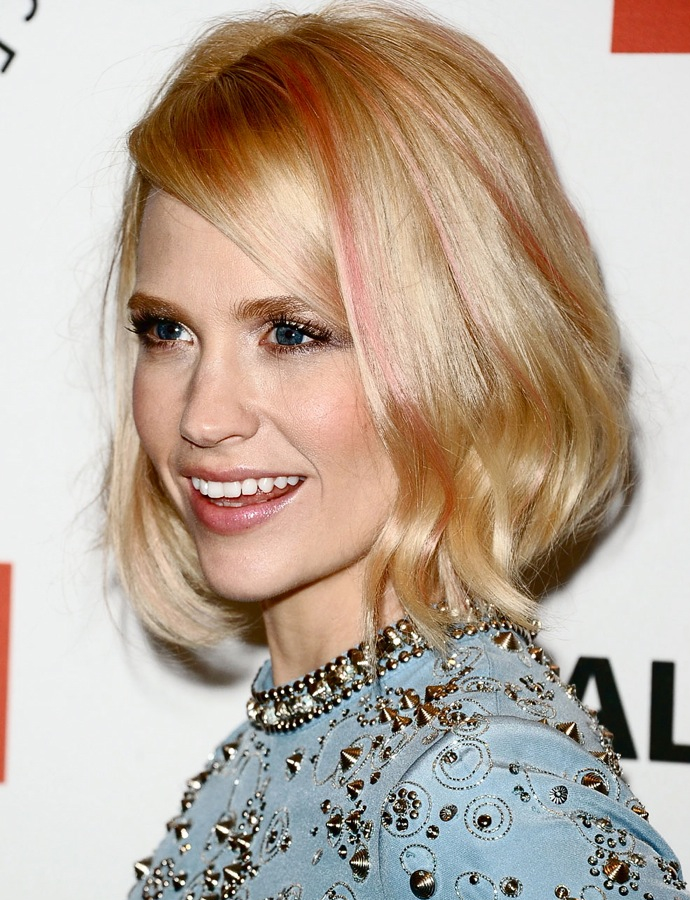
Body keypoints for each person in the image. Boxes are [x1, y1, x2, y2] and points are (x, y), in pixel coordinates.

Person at [105, 3, 687, 898]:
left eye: (292, 333)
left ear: (465, 357)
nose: (204, 417)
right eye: (167, 330)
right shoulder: (269, 753)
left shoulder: (484, 800)